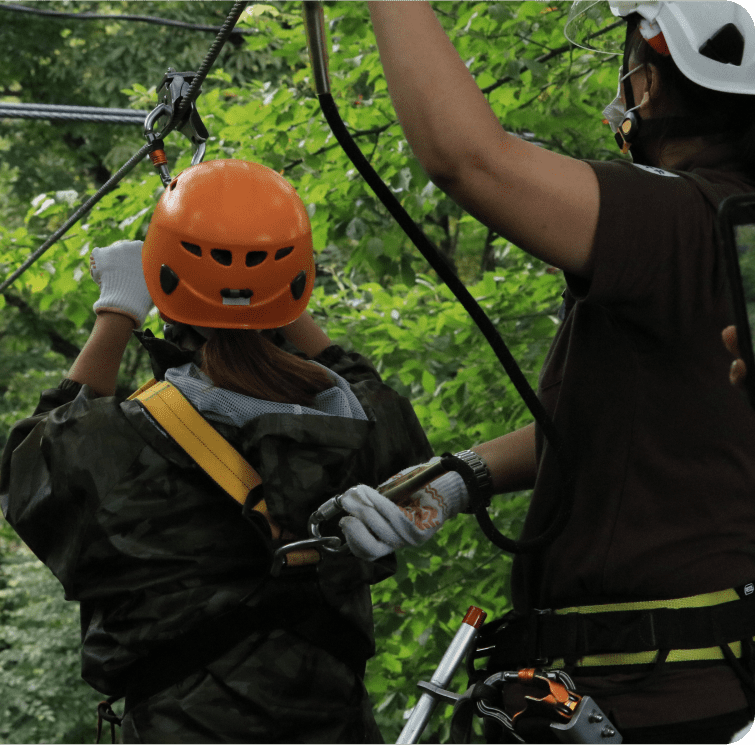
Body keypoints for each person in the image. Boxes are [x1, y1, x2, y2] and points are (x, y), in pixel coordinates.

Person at [320, 2, 755, 742]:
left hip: (651, 699)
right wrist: (461, 477)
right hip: (690, 686)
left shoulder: (680, 218)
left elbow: (470, 158)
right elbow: (634, 424)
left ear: (648, 83)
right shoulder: (730, 226)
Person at [0, 159, 433, 743]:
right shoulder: (367, 428)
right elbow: (361, 384)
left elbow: (34, 463)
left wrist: (120, 308)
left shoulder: (130, 444)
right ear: (298, 283)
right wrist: (269, 296)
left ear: (163, 281)